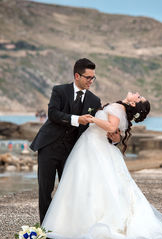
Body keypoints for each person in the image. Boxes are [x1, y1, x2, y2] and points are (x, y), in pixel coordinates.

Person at [42, 92, 162, 239]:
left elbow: (112, 127)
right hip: (94, 145)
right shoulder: (119, 108)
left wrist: (93, 119)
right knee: (92, 183)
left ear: (133, 104)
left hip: (94, 146)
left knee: (89, 182)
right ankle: (78, 223)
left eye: (139, 97)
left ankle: (78, 225)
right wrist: (115, 138)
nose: (137, 94)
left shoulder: (117, 107)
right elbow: (115, 134)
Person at [29, 58, 120, 224]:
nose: (91, 81)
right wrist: (77, 119)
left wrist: (113, 139)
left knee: (69, 190)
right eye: (88, 77)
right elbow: (53, 114)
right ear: (77, 76)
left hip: (72, 151)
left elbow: (99, 125)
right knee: (45, 189)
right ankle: (46, 229)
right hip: (48, 146)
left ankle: (64, 226)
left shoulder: (94, 100)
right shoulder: (59, 91)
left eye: (93, 78)